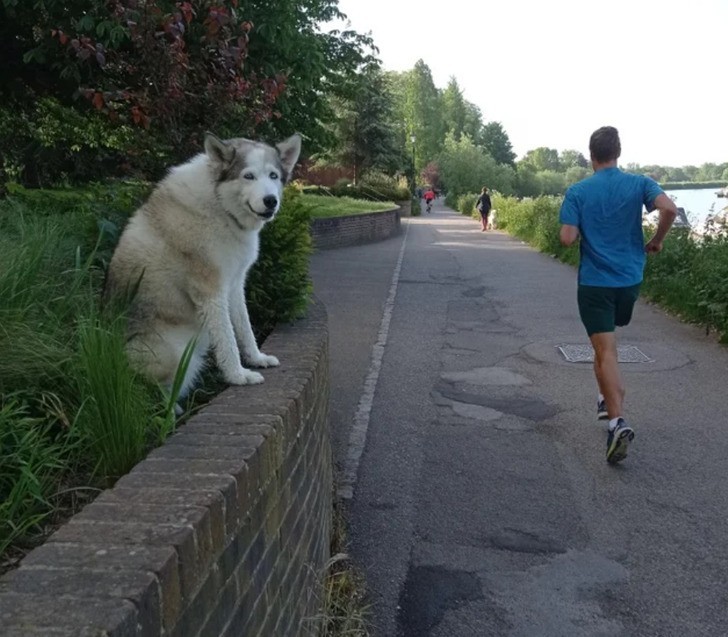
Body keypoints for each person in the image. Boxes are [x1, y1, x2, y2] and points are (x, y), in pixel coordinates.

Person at [559, 126, 677, 465]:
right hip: (629, 281)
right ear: (618, 152)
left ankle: (617, 421)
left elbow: (567, 239)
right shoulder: (640, 183)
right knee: (605, 347)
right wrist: (656, 240)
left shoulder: (578, 191)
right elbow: (669, 209)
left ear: (591, 155)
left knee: (605, 350)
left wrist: (577, 228)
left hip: (595, 283)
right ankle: (603, 399)